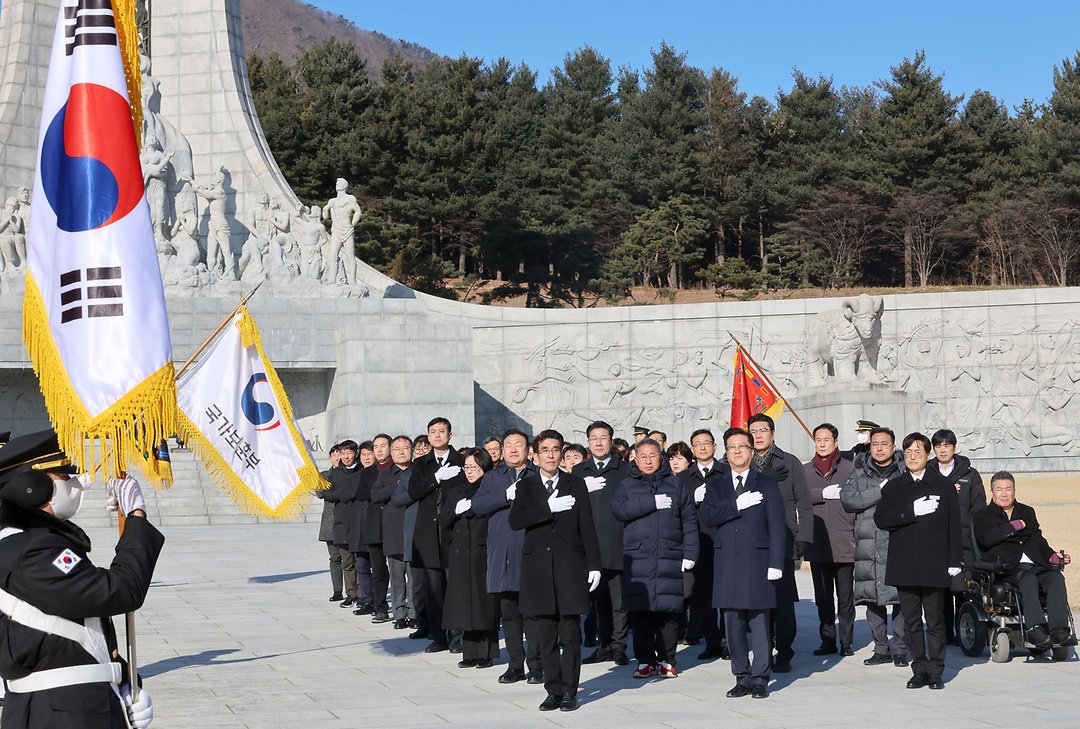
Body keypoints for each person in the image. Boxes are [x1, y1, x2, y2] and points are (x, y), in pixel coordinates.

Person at [0, 429, 164, 729]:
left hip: (73, 706)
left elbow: (69, 636)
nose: (75, 483)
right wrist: (136, 516)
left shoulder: (28, 543)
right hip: (62, 712)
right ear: (33, 487)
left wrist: (122, 679)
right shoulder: (31, 551)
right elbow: (119, 591)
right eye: (64, 476)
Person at [509, 430, 601, 713]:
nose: (551, 454)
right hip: (538, 570)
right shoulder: (526, 487)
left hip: (569, 568)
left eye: (556, 449)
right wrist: (546, 507)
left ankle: (570, 691)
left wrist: (594, 564)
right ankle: (553, 690)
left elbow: (587, 525)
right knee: (544, 635)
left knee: (571, 634)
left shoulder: (575, 484)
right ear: (534, 455)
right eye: (545, 449)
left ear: (562, 453)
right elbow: (515, 520)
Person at [699, 427, 786, 700]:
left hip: (758, 561)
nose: (737, 451)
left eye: (742, 446)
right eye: (732, 447)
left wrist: (776, 562)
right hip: (727, 563)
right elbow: (707, 517)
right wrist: (737, 505)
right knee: (732, 623)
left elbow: (777, 526)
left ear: (751, 451)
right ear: (726, 453)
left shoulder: (767, 483)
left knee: (759, 623)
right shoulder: (715, 484)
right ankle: (741, 676)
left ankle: (760, 678)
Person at [874, 432, 962, 690]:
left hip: (934, 563)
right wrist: (910, 511)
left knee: (935, 621)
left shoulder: (942, 485)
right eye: (909, 452)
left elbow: (953, 525)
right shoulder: (894, 486)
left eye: (918, 452)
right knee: (911, 622)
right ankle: (919, 669)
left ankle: (936, 670)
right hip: (905, 564)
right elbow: (882, 519)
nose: (913, 457)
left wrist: (954, 560)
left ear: (928, 455)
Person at [611, 439, 699, 679]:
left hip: (669, 555)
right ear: (635, 459)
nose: (648, 461)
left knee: (669, 612)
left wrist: (690, 552)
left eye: (653, 455)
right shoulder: (627, 485)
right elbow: (619, 510)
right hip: (638, 557)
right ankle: (644, 660)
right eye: (643, 456)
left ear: (661, 457)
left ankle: (668, 659)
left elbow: (689, 520)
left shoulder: (676, 484)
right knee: (641, 613)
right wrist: (651, 502)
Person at [470, 429, 543, 685]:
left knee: (534, 613)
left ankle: (537, 664)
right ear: (501, 450)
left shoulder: (538, 474)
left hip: (532, 551)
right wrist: (504, 496)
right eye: (508, 445)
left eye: (519, 445)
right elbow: (477, 505)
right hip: (502, 552)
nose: (513, 449)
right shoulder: (492, 477)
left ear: (528, 449)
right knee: (510, 614)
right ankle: (515, 664)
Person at [972, 472, 1075, 648]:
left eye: (1008, 489)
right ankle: (1035, 629)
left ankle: (1059, 630)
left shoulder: (1026, 511)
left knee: (1056, 577)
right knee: (1028, 578)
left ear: (1014, 490)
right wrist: (1012, 526)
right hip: (1005, 568)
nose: (1004, 494)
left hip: (1034, 564)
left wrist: (1052, 556)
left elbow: (1038, 540)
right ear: (992, 492)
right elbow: (986, 538)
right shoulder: (982, 515)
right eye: (999, 489)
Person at [746, 413, 812, 673]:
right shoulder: (741, 461)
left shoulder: (790, 462)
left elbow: (804, 504)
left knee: (783, 601)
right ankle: (765, 647)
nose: (758, 435)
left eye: (763, 430)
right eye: (753, 430)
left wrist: (804, 537)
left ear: (773, 433)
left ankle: (784, 649)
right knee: (759, 601)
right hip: (751, 544)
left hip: (782, 541)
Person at [840, 426, 909, 667]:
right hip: (867, 546)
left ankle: (900, 648)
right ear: (869, 446)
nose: (879, 448)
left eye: (884, 444)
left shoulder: (904, 473)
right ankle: (881, 648)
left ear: (893, 446)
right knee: (873, 599)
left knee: (902, 599)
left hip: (899, 544)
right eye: (875, 444)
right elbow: (849, 500)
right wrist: (881, 490)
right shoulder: (859, 474)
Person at [573, 420, 631, 667]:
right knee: (597, 602)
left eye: (603, 437)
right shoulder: (578, 473)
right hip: (589, 547)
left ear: (611, 441)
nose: (598, 442)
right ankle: (603, 644)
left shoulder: (625, 470)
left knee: (619, 602)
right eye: (594, 438)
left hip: (617, 544)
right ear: (588, 443)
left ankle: (619, 646)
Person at [407, 418, 466, 653]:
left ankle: (458, 636)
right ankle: (438, 636)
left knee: (456, 586)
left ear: (450, 435)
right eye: (433, 432)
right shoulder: (421, 464)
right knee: (434, 589)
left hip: (453, 530)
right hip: (428, 533)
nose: (437, 435)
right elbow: (413, 491)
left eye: (442, 431)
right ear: (428, 436)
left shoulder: (462, 461)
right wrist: (436, 478)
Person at [441, 449, 500, 668]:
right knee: (464, 603)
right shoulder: (457, 490)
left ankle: (486, 652)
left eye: (474, 467)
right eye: (467, 467)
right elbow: (444, 520)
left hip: (483, 552)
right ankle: (469, 652)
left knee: (484, 603)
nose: (470, 472)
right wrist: (455, 511)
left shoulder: (490, 489)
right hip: (460, 552)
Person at [802, 423, 856, 656]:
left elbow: (857, 499)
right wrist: (821, 494)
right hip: (817, 542)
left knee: (845, 598)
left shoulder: (850, 468)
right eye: (818, 439)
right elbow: (800, 499)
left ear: (835, 442)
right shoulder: (805, 471)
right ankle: (827, 640)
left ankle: (846, 641)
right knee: (822, 597)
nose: (822, 443)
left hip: (843, 542)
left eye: (826, 439)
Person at [929, 428, 986, 642]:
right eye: (939, 446)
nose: (943, 450)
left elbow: (979, 507)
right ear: (934, 449)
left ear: (954, 447)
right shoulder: (927, 472)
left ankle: (964, 631)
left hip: (964, 542)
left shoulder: (969, 474)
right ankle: (944, 634)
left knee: (964, 588)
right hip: (935, 541)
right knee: (940, 591)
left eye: (947, 445)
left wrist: (973, 535)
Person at [679, 428, 726, 659]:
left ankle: (728, 641)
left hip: (725, 542)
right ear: (692, 449)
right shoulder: (683, 478)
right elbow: (676, 511)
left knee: (727, 596)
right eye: (698, 444)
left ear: (715, 446)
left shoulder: (726, 472)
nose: (703, 447)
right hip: (698, 544)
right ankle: (712, 642)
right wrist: (691, 500)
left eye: (707, 443)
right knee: (704, 598)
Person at [372, 436, 415, 629]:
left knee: (414, 578)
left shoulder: (418, 472)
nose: (401, 452)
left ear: (411, 450)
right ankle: (399, 613)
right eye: (396, 449)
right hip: (393, 532)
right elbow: (375, 495)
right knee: (397, 578)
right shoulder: (386, 474)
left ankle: (415, 613)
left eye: (405, 448)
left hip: (415, 532)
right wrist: (397, 485)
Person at [321, 440, 362, 609]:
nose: (344, 456)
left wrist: (343, 493)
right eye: (341, 453)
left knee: (361, 561)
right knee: (346, 561)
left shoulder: (362, 471)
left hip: (358, 521)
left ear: (356, 453)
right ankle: (349, 593)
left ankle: (362, 594)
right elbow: (326, 494)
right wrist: (347, 492)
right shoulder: (334, 473)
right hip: (340, 523)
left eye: (348, 452)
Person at [362, 434, 395, 622]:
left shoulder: (399, 468)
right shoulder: (368, 472)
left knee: (402, 570)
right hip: (375, 526)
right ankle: (380, 606)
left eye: (383, 445)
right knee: (378, 570)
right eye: (376, 446)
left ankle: (407, 609)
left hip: (395, 525)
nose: (379, 449)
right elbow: (365, 493)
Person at [346, 440, 377, 615]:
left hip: (374, 527)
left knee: (378, 568)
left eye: (369, 454)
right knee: (362, 566)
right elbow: (345, 495)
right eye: (363, 454)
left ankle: (378, 601)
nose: (366, 457)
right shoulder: (355, 476)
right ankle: (367, 600)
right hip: (358, 528)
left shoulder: (380, 474)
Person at [315, 444, 344, 601]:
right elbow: (319, 493)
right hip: (330, 521)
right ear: (330, 457)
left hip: (347, 521)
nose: (337, 457)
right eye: (334, 454)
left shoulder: (350, 474)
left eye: (340, 454)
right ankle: (337, 590)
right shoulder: (325, 475)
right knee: (335, 558)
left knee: (349, 559)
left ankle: (354, 592)